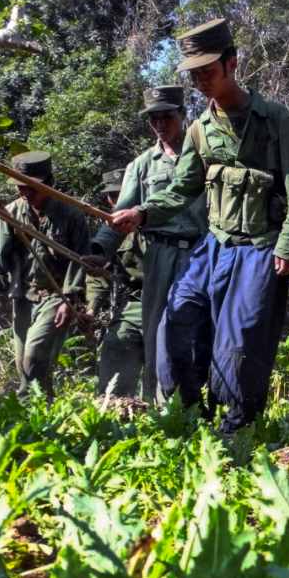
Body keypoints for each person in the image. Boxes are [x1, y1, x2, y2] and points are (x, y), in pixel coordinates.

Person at [109, 18, 289, 433]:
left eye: (208, 71)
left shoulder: (275, 120)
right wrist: (142, 214)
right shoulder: (200, 129)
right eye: (194, 74)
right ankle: (187, 414)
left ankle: (237, 429)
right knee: (174, 325)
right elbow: (183, 187)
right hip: (212, 246)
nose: (201, 81)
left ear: (232, 64)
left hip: (259, 247)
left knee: (239, 343)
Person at [90, 86, 206, 402]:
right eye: (154, 119)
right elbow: (120, 215)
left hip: (203, 253)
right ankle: (162, 409)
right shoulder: (141, 165)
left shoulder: (204, 156)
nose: (160, 124)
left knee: (200, 333)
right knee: (158, 335)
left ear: (183, 115)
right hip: (159, 255)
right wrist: (100, 250)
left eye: (167, 116)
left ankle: (199, 407)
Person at [0, 151, 90, 399]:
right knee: (25, 368)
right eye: (20, 186)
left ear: (48, 184)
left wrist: (70, 300)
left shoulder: (71, 214)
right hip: (24, 296)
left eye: (31, 187)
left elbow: (81, 260)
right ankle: (37, 416)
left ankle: (39, 412)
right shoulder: (11, 213)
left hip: (56, 296)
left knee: (33, 357)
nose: (25, 192)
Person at [87, 168, 146, 397]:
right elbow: (99, 276)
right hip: (133, 303)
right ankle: (114, 408)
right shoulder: (109, 234)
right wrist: (92, 308)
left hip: (167, 299)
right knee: (116, 347)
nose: (118, 202)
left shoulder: (158, 223)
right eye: (113, 197)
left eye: (123, 196)